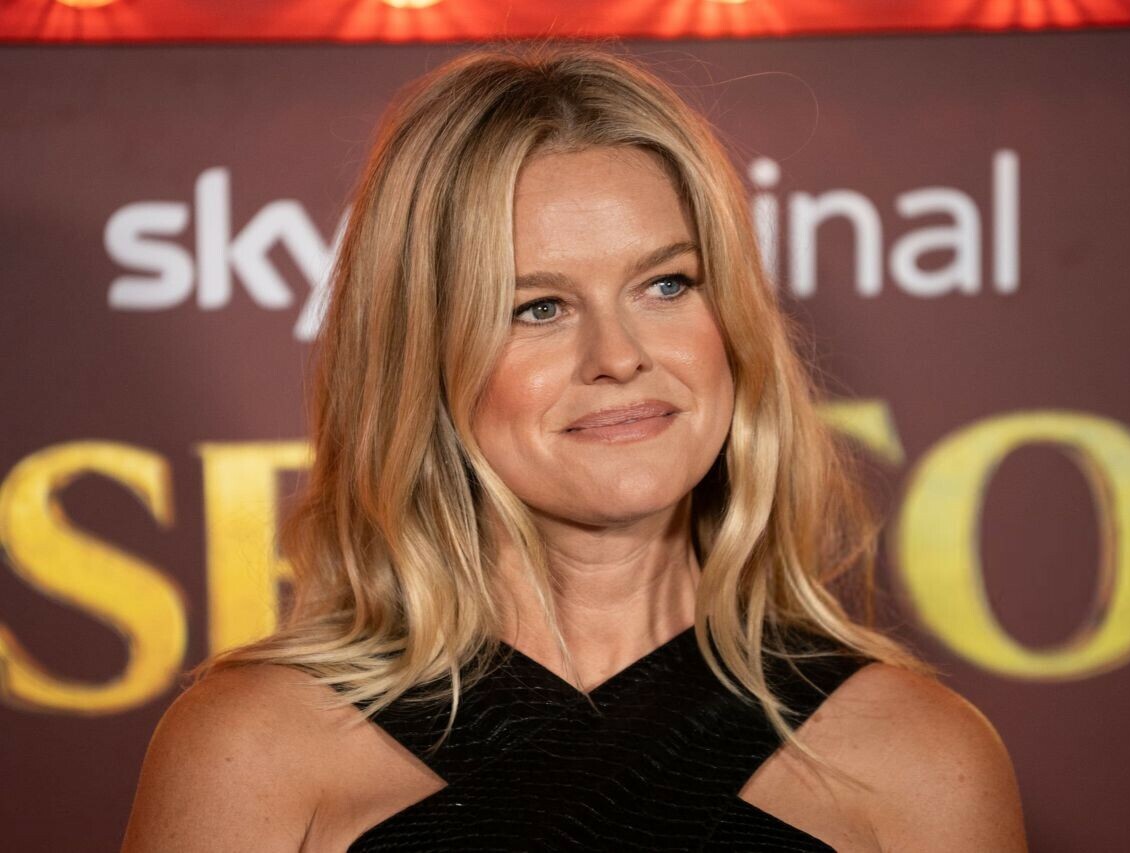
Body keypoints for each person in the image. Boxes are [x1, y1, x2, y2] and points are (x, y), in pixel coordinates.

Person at [121, 43, 1027, 852]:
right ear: (422, 360)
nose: (619, 355)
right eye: (539, 307)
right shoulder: (253, 751)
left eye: (666, 284)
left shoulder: (918, 759)